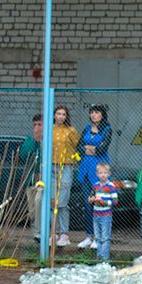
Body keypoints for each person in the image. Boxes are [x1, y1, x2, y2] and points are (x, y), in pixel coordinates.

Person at [76, 105, 112, 250]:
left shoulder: (107, 129)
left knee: (99, 204)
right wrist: (92, 149)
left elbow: (103, 149)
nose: (93, 115)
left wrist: (88, 148)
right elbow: (78, 147)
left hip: (99, 170)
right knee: (87, 204)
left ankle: (99, 237)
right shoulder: (86, 128)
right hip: (85, 168)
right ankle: (88, 236)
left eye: (97, 112)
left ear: (102, 115)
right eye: (92, 112)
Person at [51, 105, 80, 247]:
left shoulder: (71, 131)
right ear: (54, 115)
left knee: (62, 201)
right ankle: (53, 232)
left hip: (66, 166)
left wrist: (75, 160)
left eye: (63, 114)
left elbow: (78, 146)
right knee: (51, 200)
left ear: (66, 116)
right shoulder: (49, 129)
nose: (61, 116)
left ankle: (64, 234)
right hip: (51, 166)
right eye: (58, 113)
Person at [19, 114, 43, 240]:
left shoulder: (48, 141)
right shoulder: (29, 140)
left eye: (40, 124)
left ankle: (40, 233)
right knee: (32, 210)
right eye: (35, 125)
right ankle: (35, 233)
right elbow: (24, 156)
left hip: (42, 182)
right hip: (31, 181)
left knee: (39, 202)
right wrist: (34, 141)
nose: (37, 127)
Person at [89, 162, 117, 261]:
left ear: (109, 174)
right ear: (97, 174)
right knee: (97, 237)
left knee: (105, 237)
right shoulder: (95, 186)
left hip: (106, 215)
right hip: (96, 215)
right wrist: (91, 200)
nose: (103, 175)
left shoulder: (111, 186)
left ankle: (105, 258)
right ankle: (99, 257)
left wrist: (103, 202)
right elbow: (91, 197)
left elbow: (115, 201)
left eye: (105, 172)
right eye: (101, 173)